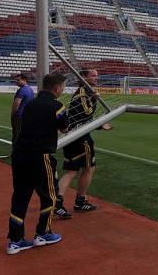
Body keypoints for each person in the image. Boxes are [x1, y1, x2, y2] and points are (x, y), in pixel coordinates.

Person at [6, 73, 68, 255]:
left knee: (20, 197)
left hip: (20, 155)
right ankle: (43, 233)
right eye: (62, 87)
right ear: (56, 88)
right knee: (50, 195)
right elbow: (64, 127)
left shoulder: (31, 103)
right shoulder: (57, 106)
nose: (63, 89)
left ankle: (15, 241)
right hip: (41, 156)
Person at [55, 69, 113, 218]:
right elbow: (86, 114)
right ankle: (79, 202)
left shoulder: (84, 92)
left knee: (72, 171)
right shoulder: (82, 93)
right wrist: (94, 99)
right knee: (88, 168)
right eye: (93, 75)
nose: (96, 77)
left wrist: (99, 124)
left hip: (74, 134)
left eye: (97, 75)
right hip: (80, 137)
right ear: (84, 77)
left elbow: (82, 117)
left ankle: (60, 202)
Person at [11, 74, 34, 144]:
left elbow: (16, 104)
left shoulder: (22, 90)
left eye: (18, 80)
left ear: (24, 80)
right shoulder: (30, 90)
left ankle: (15, 153)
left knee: (16, 135)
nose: (16, 82)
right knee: (24, 135)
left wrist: (12, 114)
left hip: (19, 116)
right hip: (27, 116)